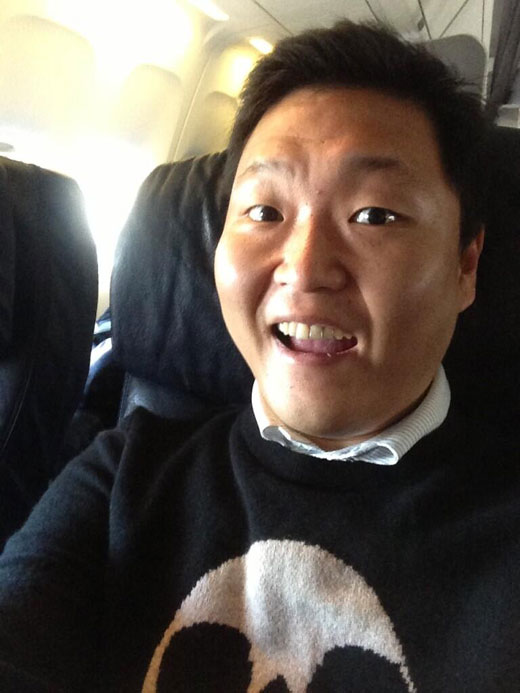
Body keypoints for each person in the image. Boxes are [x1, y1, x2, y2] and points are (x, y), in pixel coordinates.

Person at [0, 20, 518, 693]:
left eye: (374, 215)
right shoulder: (123, 476)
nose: (304, 267)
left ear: (465, 265)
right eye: (265, 212)